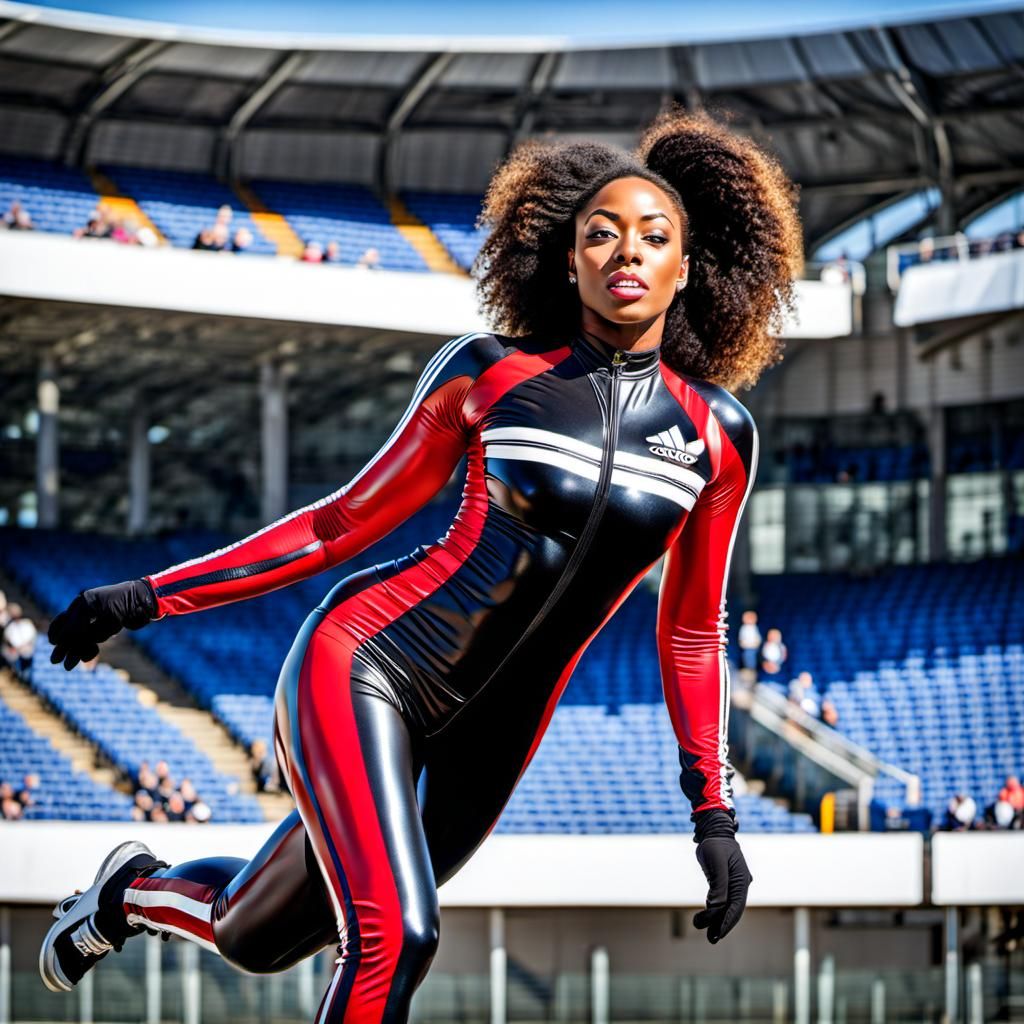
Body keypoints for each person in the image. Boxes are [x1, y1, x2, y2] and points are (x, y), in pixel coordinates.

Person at [39, 106, 803, 1019]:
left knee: (256, 934)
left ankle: (127, 894)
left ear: (688, 267)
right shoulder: (489, 373)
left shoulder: (718, 434)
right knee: (397, 934)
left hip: (498, 734)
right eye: (601, 233)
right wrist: (144, 598)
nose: (625, 252)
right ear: (569, 260)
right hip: (371, 665)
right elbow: (335, 529)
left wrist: (712, 813)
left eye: (653, 236)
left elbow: (692, 631)